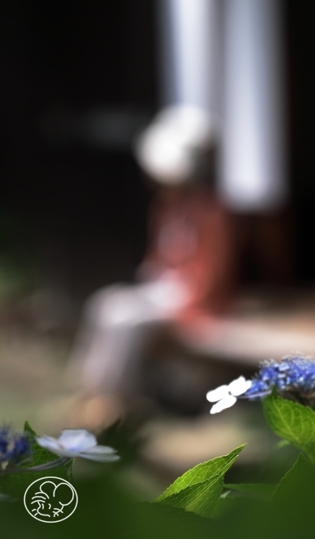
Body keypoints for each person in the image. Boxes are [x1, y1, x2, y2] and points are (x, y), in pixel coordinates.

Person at [67, 105, 235, 426]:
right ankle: (91, 392)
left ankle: (116, 400)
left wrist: (189, 308)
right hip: (163, 288)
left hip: (190, 296)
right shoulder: (164, 207)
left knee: (126, 319)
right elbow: (157, 258)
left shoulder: (213, 212)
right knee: (106, 303)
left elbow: (212, 275)